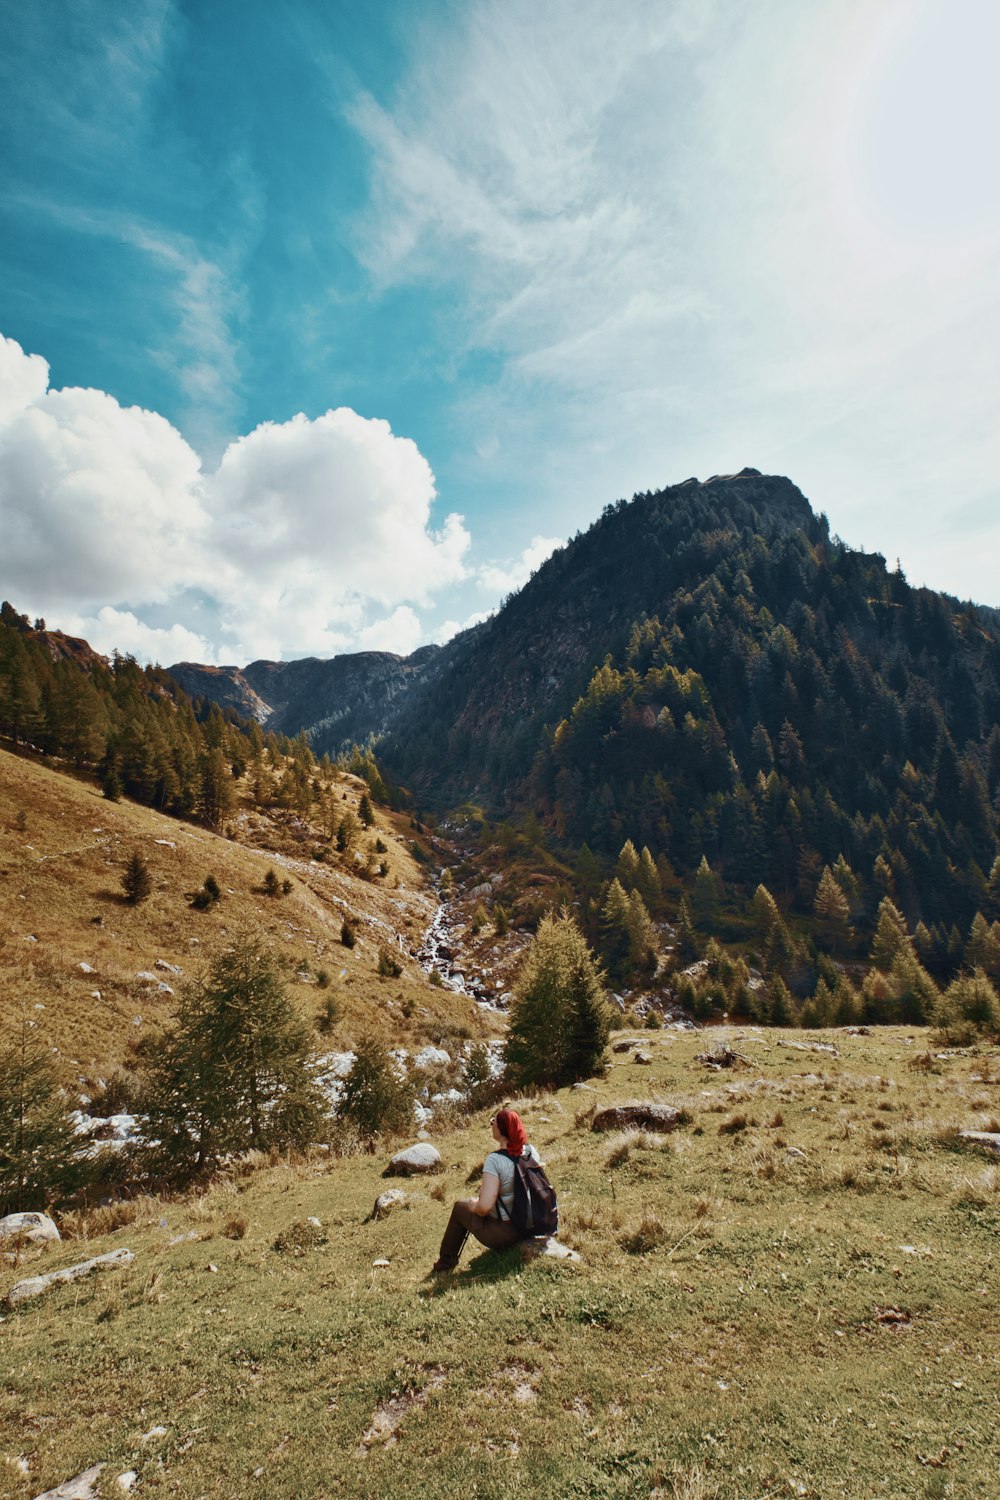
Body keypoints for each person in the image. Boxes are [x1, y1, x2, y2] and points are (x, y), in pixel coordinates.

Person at [431, 1108, 541, 1273]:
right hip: (532, 1223)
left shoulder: (495, 1160)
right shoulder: (531, 1152)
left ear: (502, 1130)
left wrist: (473, 1205)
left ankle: (446, 1262)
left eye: (494, 1121)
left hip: (508, 1232)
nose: (491, 1124)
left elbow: (484, 1209)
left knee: (460, 1207)